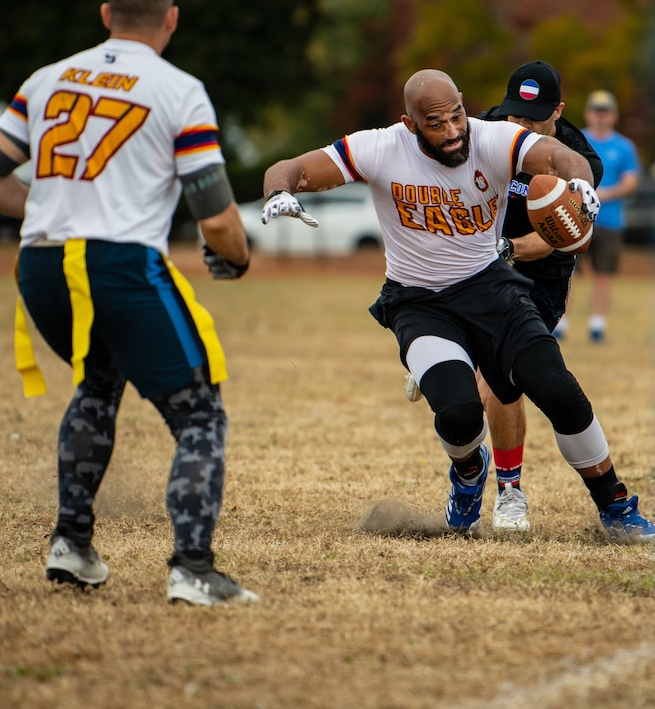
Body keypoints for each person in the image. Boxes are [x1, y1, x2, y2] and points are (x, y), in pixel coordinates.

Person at [259, 68, 655, 542]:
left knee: (559, 389)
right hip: (419, 302)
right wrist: (280, 191)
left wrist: (579, 185)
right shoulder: (381, 147)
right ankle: (469, 472)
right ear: (410, 125)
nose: (451, 133)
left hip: (491, 288)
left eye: (456, 117)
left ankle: (615, 506)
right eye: (435, 124)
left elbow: (559, 155)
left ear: (465, 106)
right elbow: (295, 168)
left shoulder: (493, 138)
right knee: (460, 412)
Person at [0, 0, 258, 606]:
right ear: (171, 19)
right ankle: (193, 569)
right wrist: (236, 258)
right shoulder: (178, 89)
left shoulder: (45, 79)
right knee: (199, 414)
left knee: (99, 381)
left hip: (41, 264)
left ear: (106, 16)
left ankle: (72, 542)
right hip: (116, 264)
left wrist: (49, 209)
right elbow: (218, 216)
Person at [408, 61, 603, 531]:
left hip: (540, 277)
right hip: (478, 269)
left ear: (558, 111)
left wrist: (506, 248)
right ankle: (443, 356)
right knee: (465, 374)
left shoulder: (579, 159)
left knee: (503, 379)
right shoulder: (486, 128)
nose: (520, 127)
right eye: (514, 114)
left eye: (533, 119)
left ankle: (510, 491)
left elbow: (569, 236)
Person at [558, 90, 640, 343]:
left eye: (605, 112)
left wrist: (601, 194)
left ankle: (597, 325)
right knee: (567, 272)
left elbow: (631, 182)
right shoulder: (576, 141)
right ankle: (560, 322)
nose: (600, 117)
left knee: (603, 274)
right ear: (588, 113)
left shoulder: (624, 147)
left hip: (610, 221)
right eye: (596, 111)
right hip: (576, 218)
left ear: (613, 116)